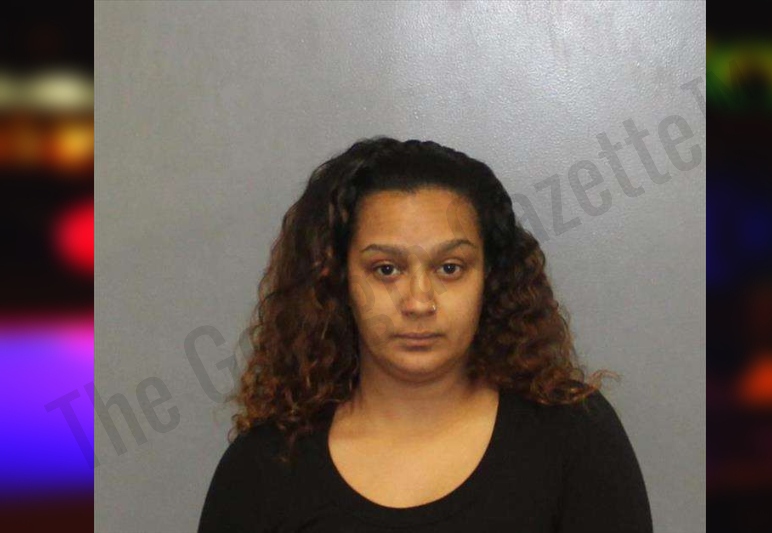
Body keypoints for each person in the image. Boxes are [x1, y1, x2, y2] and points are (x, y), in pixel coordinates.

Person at [198, 137, 653, 532]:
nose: (418, 302)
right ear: (338, 280)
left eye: (449, 268)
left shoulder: (574, 438)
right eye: (386, 269)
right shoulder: (263, 467)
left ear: (489, 278)